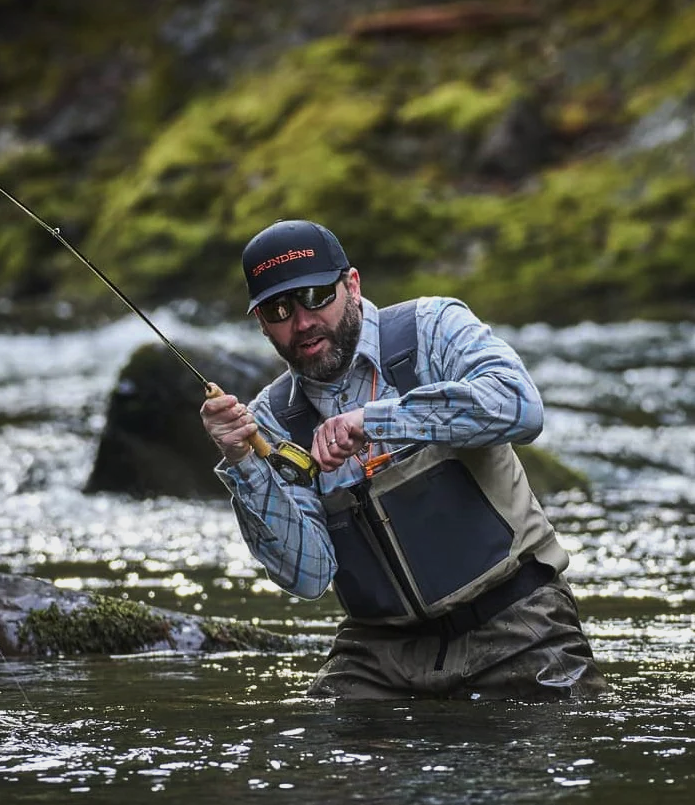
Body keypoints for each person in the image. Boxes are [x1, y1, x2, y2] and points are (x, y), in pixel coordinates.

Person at [200, 219, 608, 700]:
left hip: (518, 621)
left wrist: (373, 421)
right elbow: (308, 577)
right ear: (262, 323)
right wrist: (245, 464)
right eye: (280, 308)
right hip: (379, 652)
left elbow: (520, 406)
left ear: (352, 285)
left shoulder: (432, 328)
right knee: (310, 756)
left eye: (316, 297)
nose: (303, 321)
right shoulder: (272, 420)